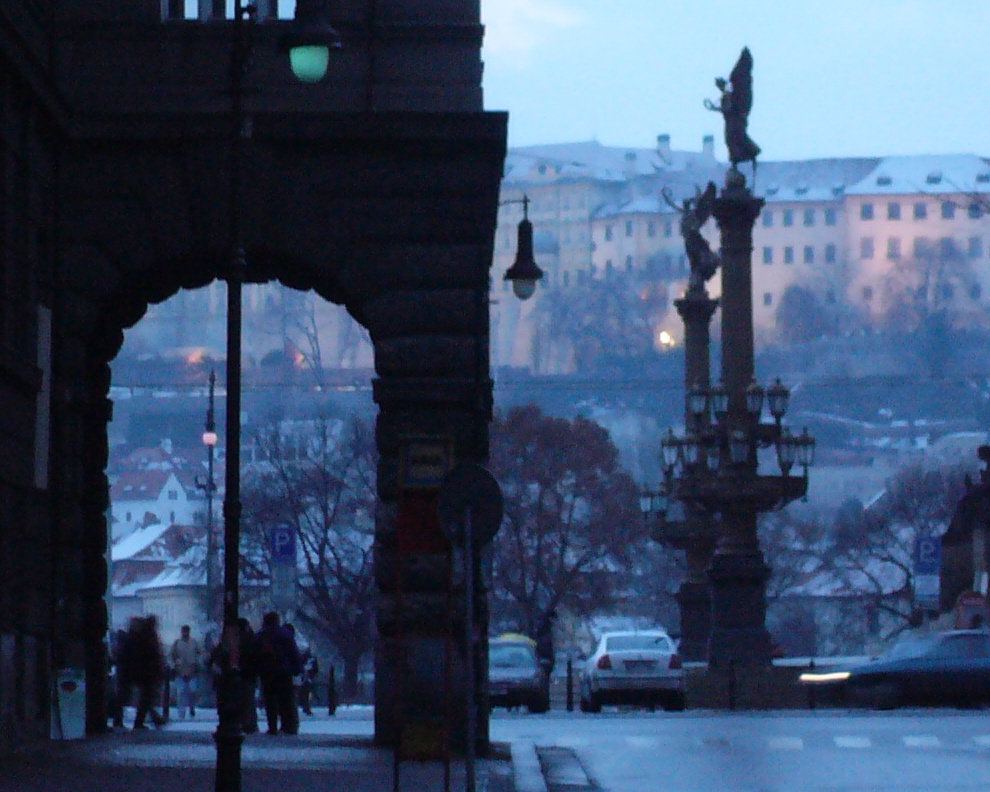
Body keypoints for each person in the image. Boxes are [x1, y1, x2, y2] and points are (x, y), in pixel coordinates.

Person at [255, 612, 301, 735]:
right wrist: (297, 668)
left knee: (270, 700)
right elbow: (293, 652)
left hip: (267, 672)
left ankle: (272, 726)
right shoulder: (285, 634)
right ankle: (288, 725)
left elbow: (254, 654)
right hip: (284, 671)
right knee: (286, 700)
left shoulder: (261, 635)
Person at [129, 615, 167, 729]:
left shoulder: (143, 636)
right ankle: (143, 720)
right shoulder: (149, 636)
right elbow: (153, 655)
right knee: (147, 697)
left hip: (146, 672)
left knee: (147, 698)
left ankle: (149, 718)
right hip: (148, 673)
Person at [170, 624, 202, 720]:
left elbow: (199, 655)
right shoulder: (177, 643)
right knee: (181, 693)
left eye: (186, 631)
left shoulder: (194, 643)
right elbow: (172, 656)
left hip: (192, 672)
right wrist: (174, 666)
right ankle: (181, 713)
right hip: (180, 672)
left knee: (193, 691)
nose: (185, 633)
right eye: (184, 631)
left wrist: (198, 665)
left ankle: (192, 707)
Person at [298, 648, 319, 716]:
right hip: (304, 679)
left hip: (306, 679)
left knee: (305, 694)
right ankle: (306, 707)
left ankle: (306, 707)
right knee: (305, 694)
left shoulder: (308, 659)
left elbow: (315, 669)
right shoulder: (310, 659)